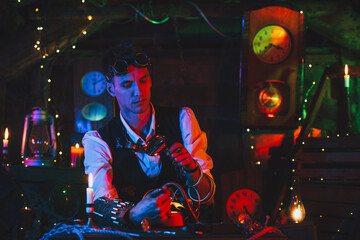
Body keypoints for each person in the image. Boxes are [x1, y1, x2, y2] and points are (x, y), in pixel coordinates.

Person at [82, 42, 215, 227]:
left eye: (143, 80)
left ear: (150, 80)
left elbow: (206, 200)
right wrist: (135, 214)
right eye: (127, 85)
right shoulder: (98, 141)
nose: (138, 92)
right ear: (111, 89)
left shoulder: (183, 119)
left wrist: (192, 169)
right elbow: (101, 205)